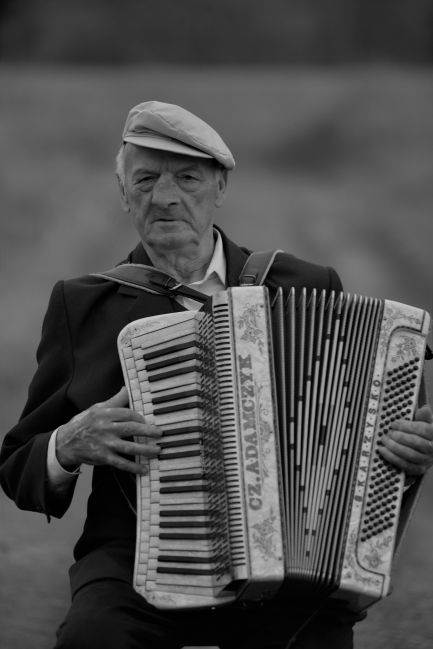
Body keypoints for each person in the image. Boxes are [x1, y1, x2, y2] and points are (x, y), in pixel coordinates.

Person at [1, 101, 432, 649]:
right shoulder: (82, 304)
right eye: (145, 180)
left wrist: (406, 446)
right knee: (93, 638)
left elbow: (358, 422)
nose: (165, 197)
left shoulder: (305, 283)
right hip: (137, 557)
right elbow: (19, 467)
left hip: (289, 560)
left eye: (187, 178)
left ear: (220, 186)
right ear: (122, 191)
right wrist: (69, 442)